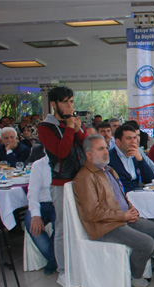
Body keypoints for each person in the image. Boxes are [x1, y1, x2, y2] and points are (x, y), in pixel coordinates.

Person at [72, 135, 154, 287]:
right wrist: (122, 216)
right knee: (147, 243)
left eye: (106, 148)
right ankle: (135, 276)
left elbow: (121, 196)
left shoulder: (109, 170)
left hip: (123, 219)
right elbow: (92, 213)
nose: (106, 152)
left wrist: (131, 209)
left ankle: (132, 265)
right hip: (106, 227)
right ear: (89, 155)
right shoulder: (85, 177)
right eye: (100, 149)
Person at [38, 85, 88, 274]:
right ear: (54, 104)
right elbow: (61, 152)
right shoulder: (45, 127)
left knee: (82, 223)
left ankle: (81, 264)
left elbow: (87, 147)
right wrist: (69, 128)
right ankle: (64, 269)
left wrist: (78, 130)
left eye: (71, 101)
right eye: (65, 102)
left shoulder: (72, 122)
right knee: (62, 227)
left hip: (80, 180)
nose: (69, 106)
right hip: (61, 183)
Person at [25, 154, 57, 274]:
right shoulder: (39, 165)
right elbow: (32, 192)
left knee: (60, 226)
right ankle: (53, 259)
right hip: (41, 203)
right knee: (31, 225)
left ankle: (54, 260)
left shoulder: (64, 163)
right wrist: (36, 215)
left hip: (57, 203)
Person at [108, 125, 154, 193]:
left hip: (138, 195)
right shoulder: (109, 158)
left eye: (134, 138)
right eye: (128, 138)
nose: (133, 141)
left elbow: (149, 180)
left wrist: (141, 161)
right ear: (118, 142)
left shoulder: (136, 155)